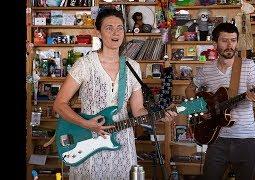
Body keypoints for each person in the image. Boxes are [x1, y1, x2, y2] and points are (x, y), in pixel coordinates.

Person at [53, 8, 177, 179]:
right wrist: (86, 124)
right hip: (89, 141)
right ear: (98, 32)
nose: (115, 32)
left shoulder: (132, 66)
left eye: (119, 27)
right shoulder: (84, 65)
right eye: (109, 27)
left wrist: (160, 115)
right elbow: (59, 104)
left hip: (122, 143)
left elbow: (138, 110)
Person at [185, 23, 255, 180]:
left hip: (246, 139)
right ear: (215, 44)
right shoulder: (207, 68)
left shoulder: (248, 66)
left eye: (233, 40)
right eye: (224, 40)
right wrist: (199, 111)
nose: (230, 45)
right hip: (216, 138)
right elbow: (189, 90)